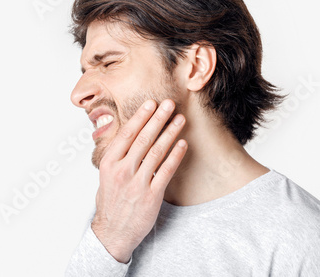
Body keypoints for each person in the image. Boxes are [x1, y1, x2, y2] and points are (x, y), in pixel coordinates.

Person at [64, 0, 320, 276]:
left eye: (110, 63)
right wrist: (108, 238)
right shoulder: (116, 211)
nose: (78, 95)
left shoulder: (299, 237)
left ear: (196, 66)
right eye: (85, 71)